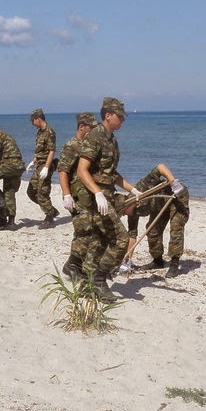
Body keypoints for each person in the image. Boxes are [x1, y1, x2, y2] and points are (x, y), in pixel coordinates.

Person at [74, 97, 140, 301]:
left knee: (100, 240)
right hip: (96, 198)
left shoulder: (111, 139)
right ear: (108, 115)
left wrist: (133, 189)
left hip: (107, 194)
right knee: (120, 238)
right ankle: (100, 279)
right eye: (120, 116)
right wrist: (97, 193)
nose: (122, 120)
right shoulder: (95, 136)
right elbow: (82, 169)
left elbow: (111, 173)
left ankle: (87, 283)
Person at [121, 163, 189, 277]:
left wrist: (174, 183)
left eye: (123, 212)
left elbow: (160, 167)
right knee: (152, 231)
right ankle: (158, 261)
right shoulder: (130, 213)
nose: (123, 215)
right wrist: (127, 260)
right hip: (159, 205)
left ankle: (174, 264)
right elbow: (132, 235)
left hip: (176, 197)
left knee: (176, 228)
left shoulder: (141, 188)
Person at [57, 111, 99, 280]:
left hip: (88, 196)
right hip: (76, 196)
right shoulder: (72, 145)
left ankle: (80, 265)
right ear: (82, 127)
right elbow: (63, 171)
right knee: (83, 230)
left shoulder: (89, 145)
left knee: (90, 230)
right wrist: (66, 195)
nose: (95, 131)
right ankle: (72, 266)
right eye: (92, 128)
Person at [25, 108, 58, 228]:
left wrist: (47, 167)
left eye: (33, 121)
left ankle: (49, 218)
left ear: (38, 119)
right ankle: (52, 210)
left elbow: (51, 151)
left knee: (42, 191)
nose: (33, 124)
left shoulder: (49, 132)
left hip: (45, 165)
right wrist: (33, 162)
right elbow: (39, 151)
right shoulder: (40, 132)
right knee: (31, 191)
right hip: (38, 164)